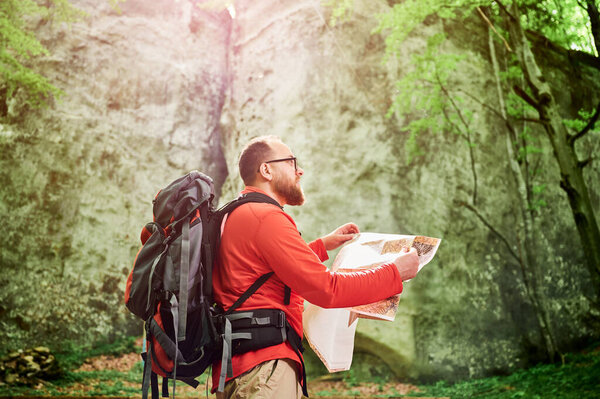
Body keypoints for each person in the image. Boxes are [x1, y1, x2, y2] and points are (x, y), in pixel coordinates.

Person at [212, 135, 419, 398]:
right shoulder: (266, 218)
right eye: (291, 162)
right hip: (263, 371)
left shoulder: (236, 214)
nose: (299, 171)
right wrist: (394, 273)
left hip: (244, 367)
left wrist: (322, 246)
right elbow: (327, 289)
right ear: (266, 169)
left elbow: (260, 274)